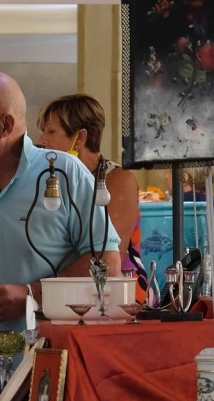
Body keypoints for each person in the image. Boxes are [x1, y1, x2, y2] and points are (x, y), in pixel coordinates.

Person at [0, 72, 119, 382]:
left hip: (57, 375)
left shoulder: (65, 173)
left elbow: (106, 263)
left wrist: (32, 295)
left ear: (5, 125)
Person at [37, 94, 149, 304]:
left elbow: (107, 257)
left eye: (51, 131)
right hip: (67, 293)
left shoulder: (118, 180)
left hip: (119, 297)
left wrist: (42, 287)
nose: (42, 140)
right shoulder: (53, 179)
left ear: (79, 138)